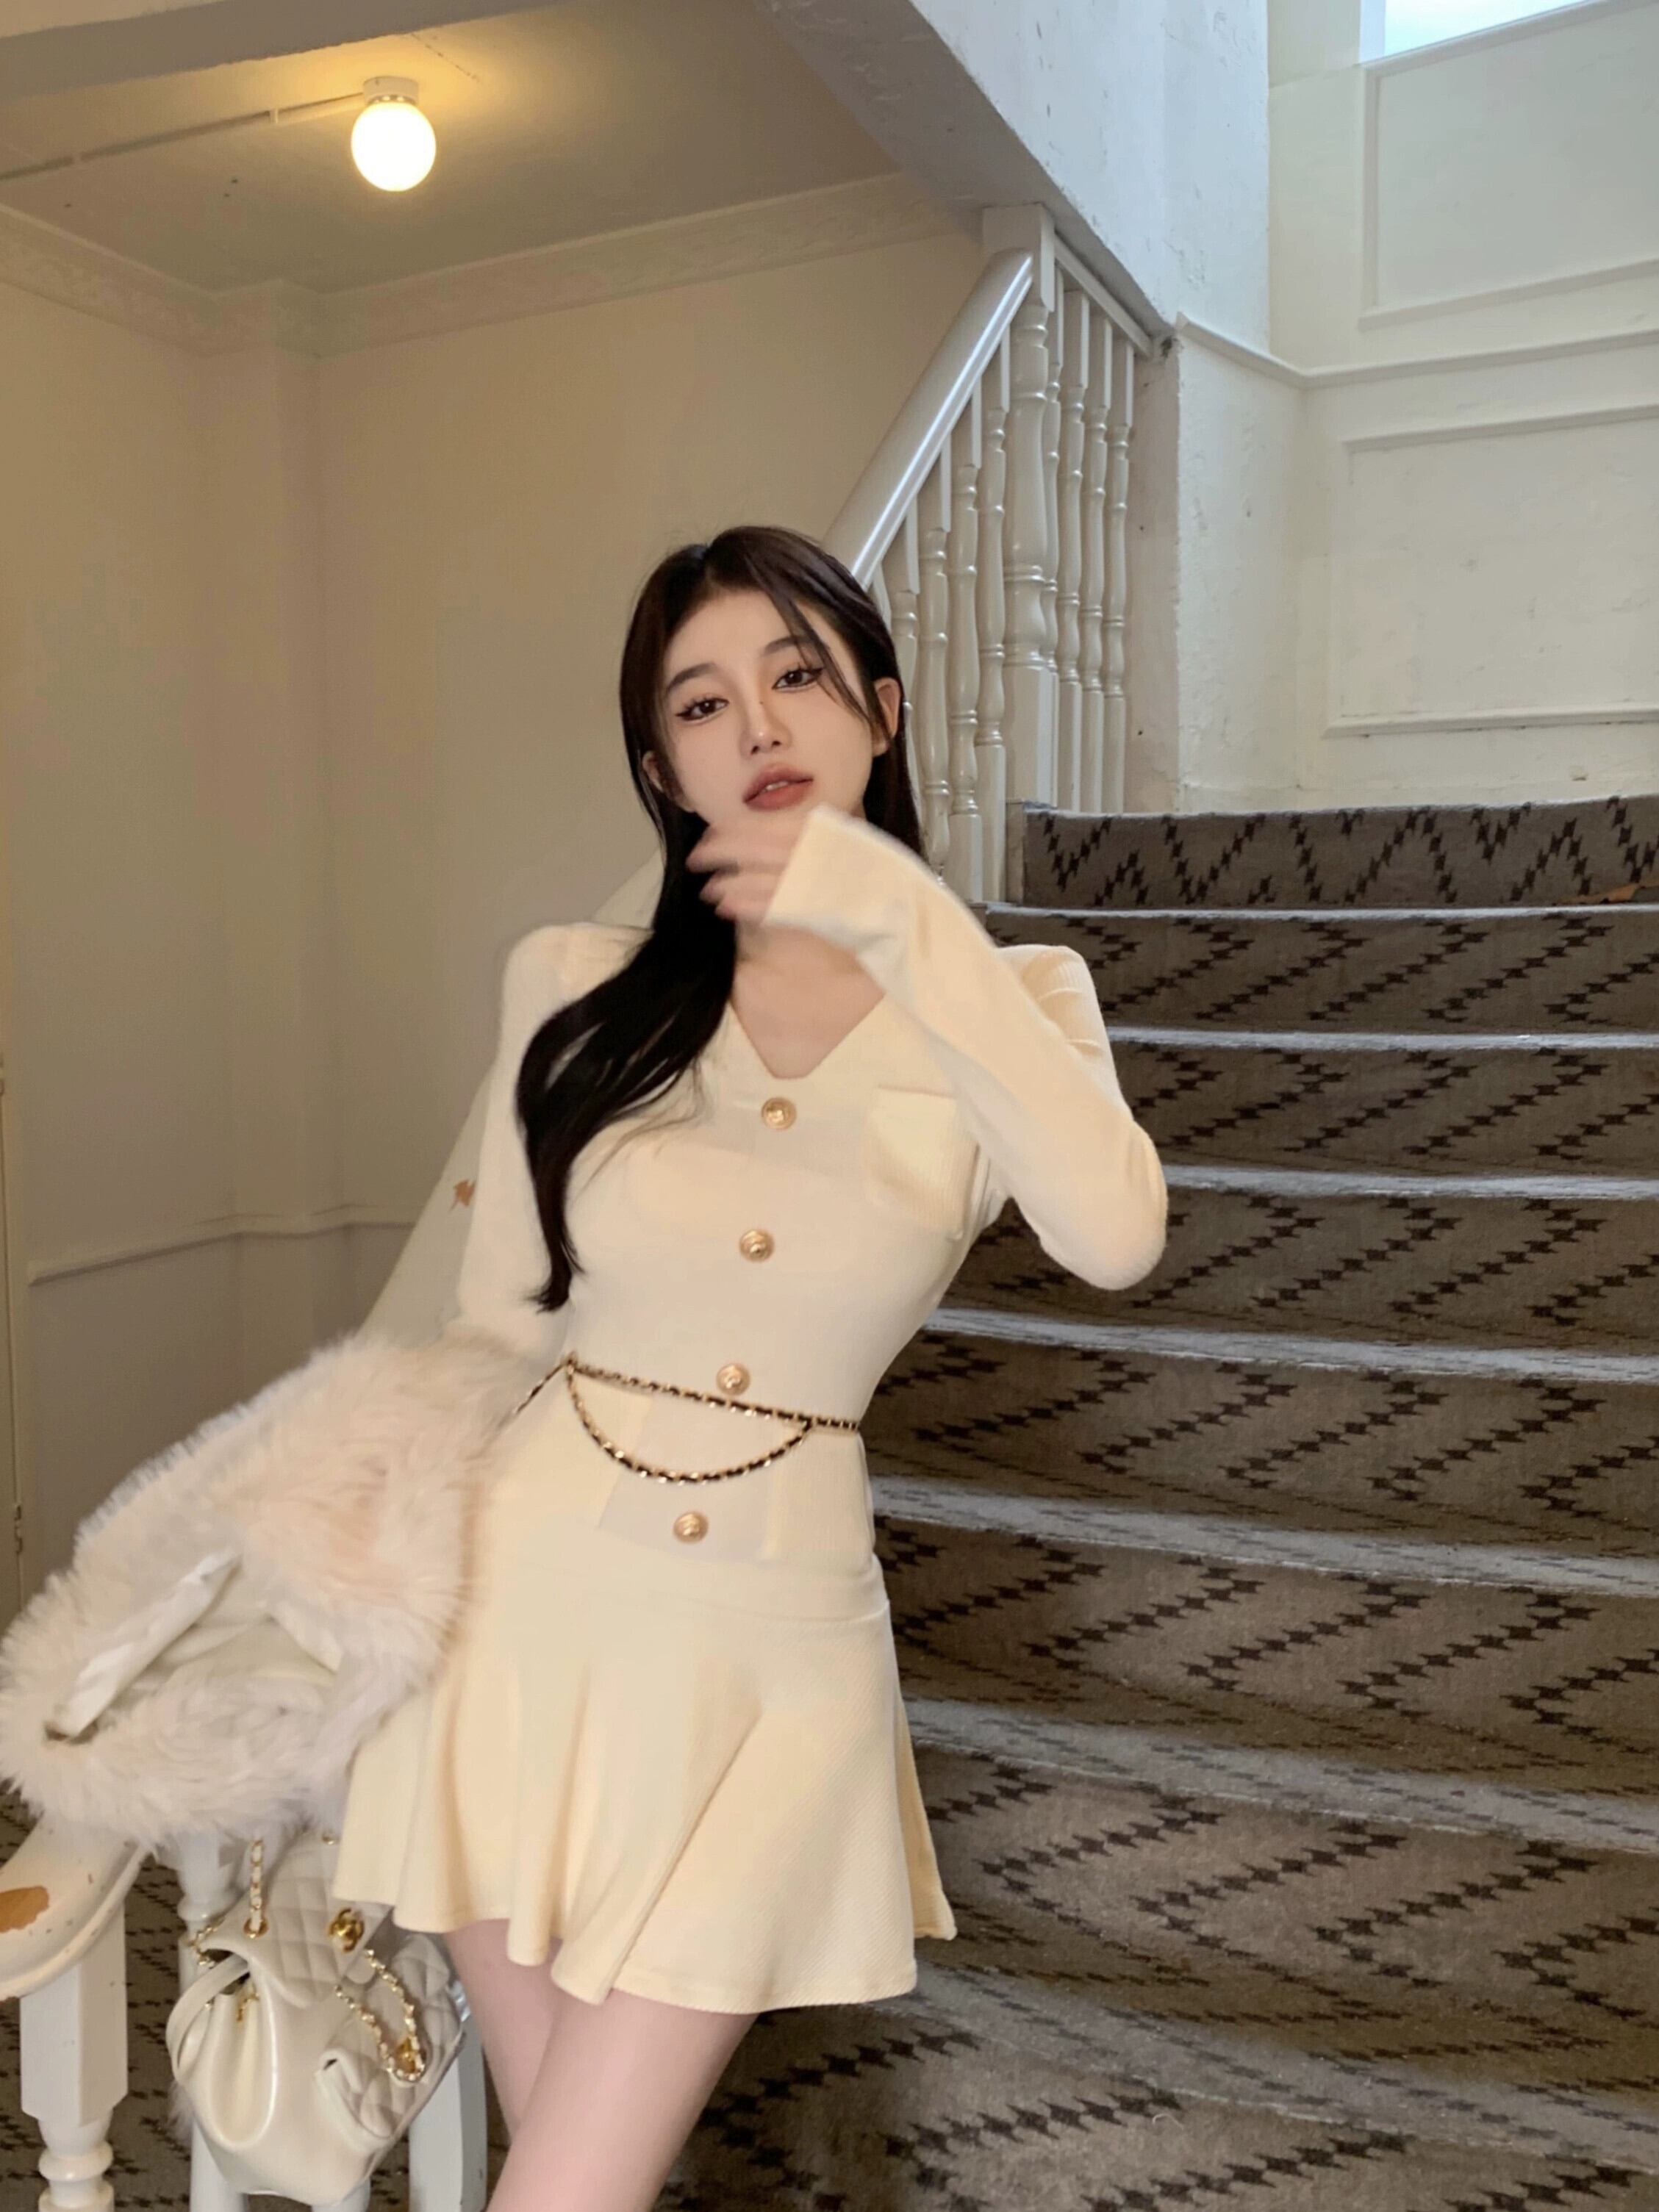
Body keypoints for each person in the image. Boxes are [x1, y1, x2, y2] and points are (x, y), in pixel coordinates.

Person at [328, 522, 1167, 2210]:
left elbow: (1114, 1231)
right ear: (662, 767)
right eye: (701, 703)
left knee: (570, 2177)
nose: (758, 726)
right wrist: (331, 1553)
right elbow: (497, 1322)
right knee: (574, 2179)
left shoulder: (1015, 993)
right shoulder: (574, 981)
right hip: (519, 1610)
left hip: (780, 1646)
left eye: (798, 674)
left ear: (883, 708)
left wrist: (908, 925)